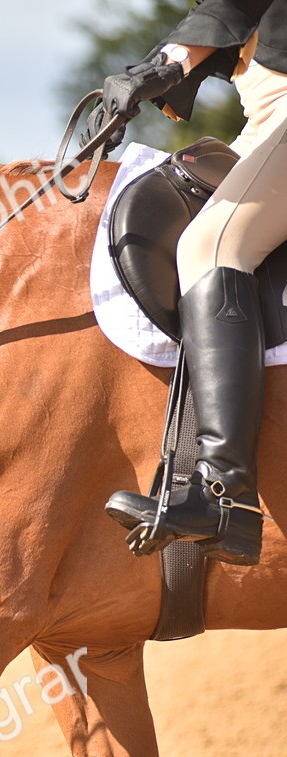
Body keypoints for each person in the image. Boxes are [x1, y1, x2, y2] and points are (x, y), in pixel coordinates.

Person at [99, 1, 287, 566]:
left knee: (212, 245)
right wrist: (160, 66)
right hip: (264, 119)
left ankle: (223, 496)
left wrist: (168, 60)